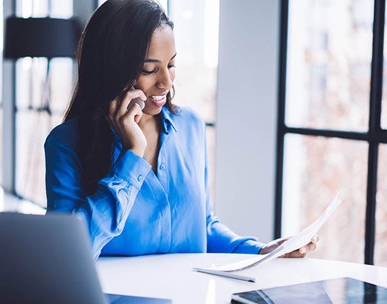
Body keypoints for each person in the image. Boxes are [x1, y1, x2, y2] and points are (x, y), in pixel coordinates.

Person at [45, 0, 318, 259]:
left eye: (171, 65)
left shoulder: (190, 127)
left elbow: (204, 226)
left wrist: (260, 251)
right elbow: (68, 253)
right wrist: (131, 157)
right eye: (149, 69)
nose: (166, 82)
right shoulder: (66, 143)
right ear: (111, 70)